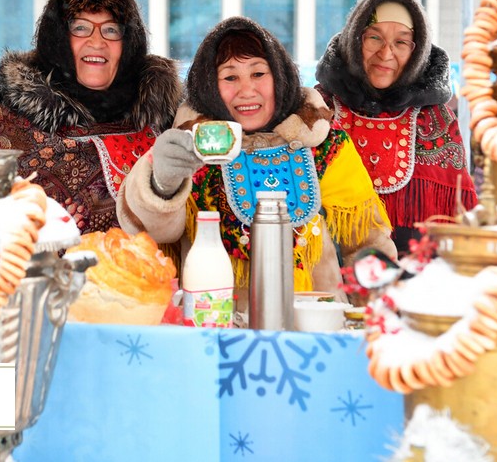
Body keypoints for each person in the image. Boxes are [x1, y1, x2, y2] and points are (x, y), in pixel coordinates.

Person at [117, 16, 397, 311]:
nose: (246, 90)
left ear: (280, 77)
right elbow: (150, 235)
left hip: (317, 326)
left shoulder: (324, 146)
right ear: (210, 86)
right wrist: (162, 182)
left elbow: (368, 244)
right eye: (230, 77)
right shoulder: (189, 148)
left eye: (258, 73)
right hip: (217, 326)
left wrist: (380, 314)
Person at [0, 0, 183, 234]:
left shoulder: (164, 122)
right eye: (80, 27)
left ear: (129, 43)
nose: (97, 42)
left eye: (111, 29)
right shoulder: (5, 128)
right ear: (58, 37)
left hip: (150, 262)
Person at [315, 0, 478, 254]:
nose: (386, 53)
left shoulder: (436, 120)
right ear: (354, 41)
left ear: (417, 52)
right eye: (374, 38)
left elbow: (458, 223)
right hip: (329, 271)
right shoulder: (319, 109)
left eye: (401, 42)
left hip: (415, 273)